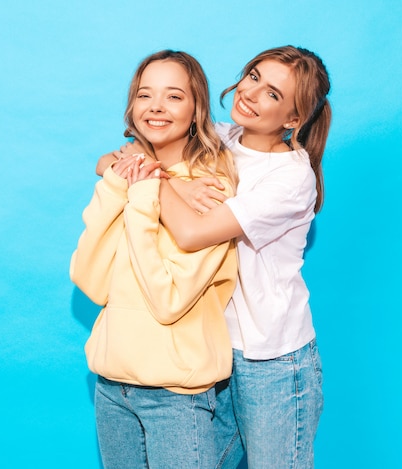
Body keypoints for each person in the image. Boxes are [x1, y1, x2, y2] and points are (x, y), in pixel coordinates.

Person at [98, 45, 332, 469]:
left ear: (294, 120)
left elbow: (191, 234)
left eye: (274, 94)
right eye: (255, 75)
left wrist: (164, 184)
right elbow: (116, 158)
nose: (252, 92)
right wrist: (170, 178)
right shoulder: (221, 136)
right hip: (211, 348)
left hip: (271, 360)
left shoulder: (290, 177)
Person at [70, 50, 239, 469]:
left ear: (198, 108)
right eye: (145, 95)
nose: (156, 108)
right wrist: (117, 182)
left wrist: (146, 193)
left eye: (174, 96)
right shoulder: (129, 172)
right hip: (112, 386)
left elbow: (168, 301)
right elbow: (90, 280)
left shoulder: (211, 190)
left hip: (176, 396)